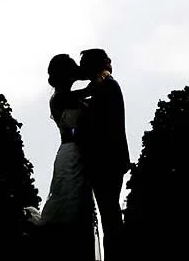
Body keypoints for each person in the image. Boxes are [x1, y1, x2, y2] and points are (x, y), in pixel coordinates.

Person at [26, 54, 97, 260]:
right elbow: (90, 90)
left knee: (77, 205)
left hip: (76, 154)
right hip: (71, 154)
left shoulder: (67, 95)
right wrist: (96, 73)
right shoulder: (60, 97)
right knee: (69, 203)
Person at [77, 48, 130, 261]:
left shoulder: (106, 87)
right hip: (110, 160)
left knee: (110, 214)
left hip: (105, 161)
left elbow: (101, 124)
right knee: (110, 213)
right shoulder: (104, 87)